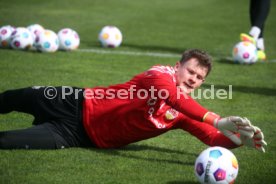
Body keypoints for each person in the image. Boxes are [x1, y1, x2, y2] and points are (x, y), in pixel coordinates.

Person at [0, 49, 267, 152]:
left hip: (76, 135)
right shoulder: (158, 75)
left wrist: (238, 140)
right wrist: (218, 119)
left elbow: (211, 138)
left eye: (199, 77)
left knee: (8, 141)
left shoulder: (186, 113)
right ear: (177, 67)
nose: (193, 79)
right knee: (14, 97)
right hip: (74, 101)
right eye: (190, 71)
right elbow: (172, 98)